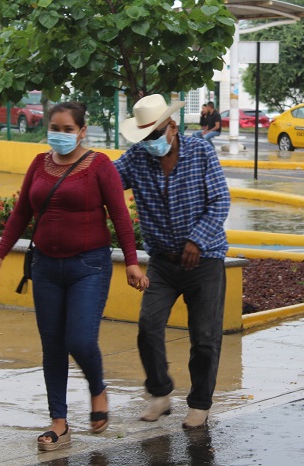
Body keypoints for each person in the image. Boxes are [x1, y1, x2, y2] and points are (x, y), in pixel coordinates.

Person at [0, 101, 148, 451]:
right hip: (45, 268)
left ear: (82, 131)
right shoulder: (39, 165)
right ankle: (59, 422)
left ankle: (97, 388)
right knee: (53, 346)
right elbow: (21, 213)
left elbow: (119, 214)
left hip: (89, 266)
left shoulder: (99, 166)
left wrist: (131, 262)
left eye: (68, 129)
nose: (60, 135)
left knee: (80, 340)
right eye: (54, 128)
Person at [113, 94, 231, 429]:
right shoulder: (137, 158)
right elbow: (107, 182)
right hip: (163, 262)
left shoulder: (201, 151)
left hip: (204, 259)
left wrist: (197, 239)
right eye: (145, 137)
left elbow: (221, 200)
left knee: (205, 337)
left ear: (173, 126)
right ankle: (160, 393)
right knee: (148, 326)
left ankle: (200, 403)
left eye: (156, 134)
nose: (151, 142)